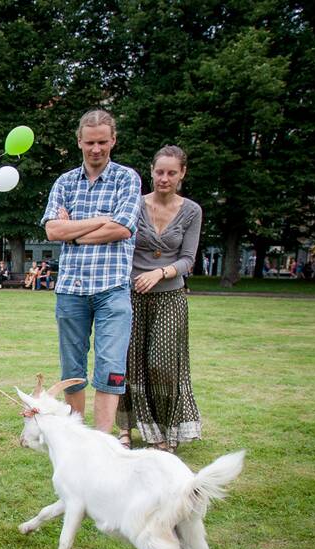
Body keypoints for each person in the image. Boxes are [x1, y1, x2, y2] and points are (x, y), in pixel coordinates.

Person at [41, 109, 141, 436]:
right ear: (79, 142)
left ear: (113, 140)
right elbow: (53, 231)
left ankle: (101, 440)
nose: (95, 149)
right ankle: (76, 436)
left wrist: (75, 231)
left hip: (112, 288)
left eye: (102, 142)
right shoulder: (65, 182)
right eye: (89, 142)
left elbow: (123, 228)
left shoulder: (127, 178)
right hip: (71, 288)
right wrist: (102, 220)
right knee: (72, 367)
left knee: (110, 366)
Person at [117, 145, 202, 452]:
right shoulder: (134, 204)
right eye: (159, 172)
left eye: (171, 173)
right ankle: (125, 428)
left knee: (160, 363)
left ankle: (165, 431)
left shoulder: (191, 211)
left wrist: (161, 272)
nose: (164, 178)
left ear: (182, 174)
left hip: (170, 296)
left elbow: (187, 259)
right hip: (131, 295)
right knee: (127, 361)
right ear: (151, 171)